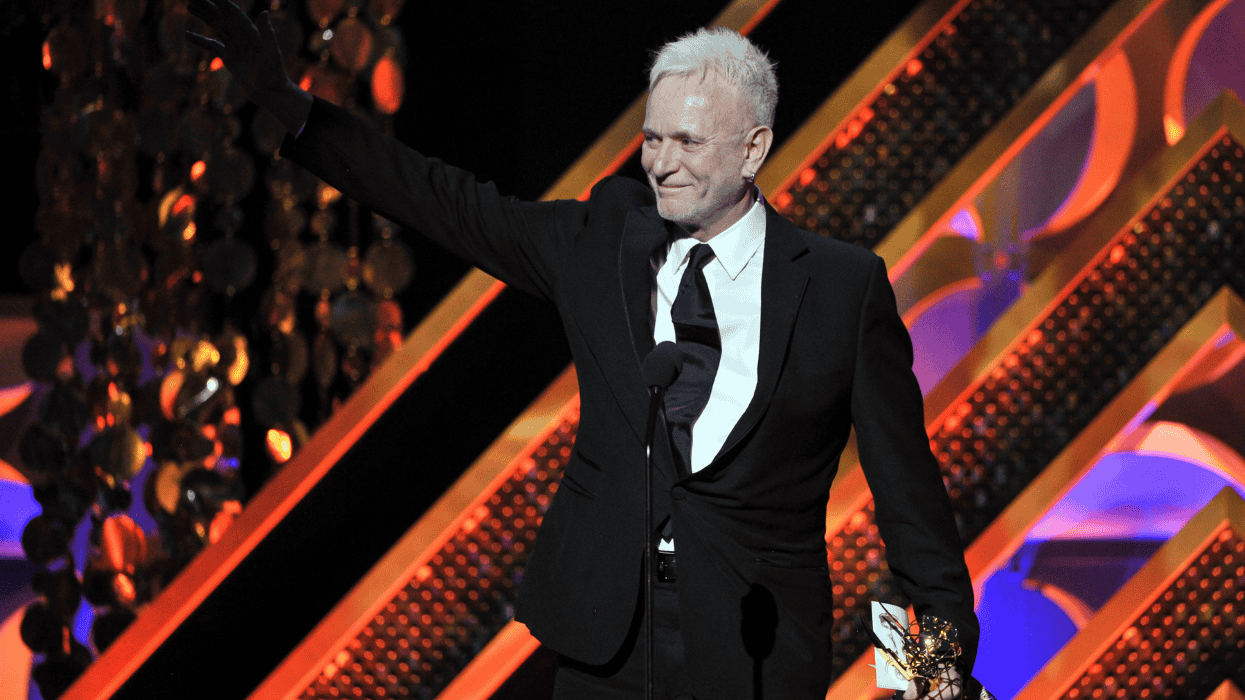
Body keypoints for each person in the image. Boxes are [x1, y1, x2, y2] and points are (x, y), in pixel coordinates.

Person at [186, 3, 979, 699]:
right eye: (651, 137)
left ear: (752, 149)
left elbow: (911, 510)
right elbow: (444, 202)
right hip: (604, 646)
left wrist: (931, 679)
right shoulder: (602, 244)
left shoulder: (842, 289)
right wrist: (290, 107)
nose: (660, 163)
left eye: (688, 142)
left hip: (757, 655)